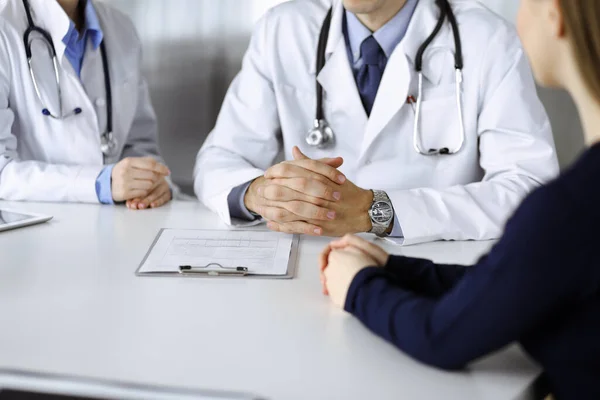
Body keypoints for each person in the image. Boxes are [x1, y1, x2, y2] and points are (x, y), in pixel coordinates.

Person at [319, 0, 600, 396]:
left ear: (554, 15)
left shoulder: (569, 210)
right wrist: (400, 270)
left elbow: (442, 337)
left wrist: (359, 286)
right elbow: (515, 276)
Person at [194, 0, 559, 245]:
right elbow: (220, 158)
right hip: (305, 271)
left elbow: (528, 188)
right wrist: (258, 193)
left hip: (437, 271)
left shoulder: (486, 39)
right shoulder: (283, 29)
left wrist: (375, 211)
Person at [0, 0, 172, 209]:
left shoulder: (121, 28)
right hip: (33, 230)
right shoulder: (4, 25)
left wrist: (152, 181)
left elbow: (139, 144)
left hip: (119, 226)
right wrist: (101, 184)